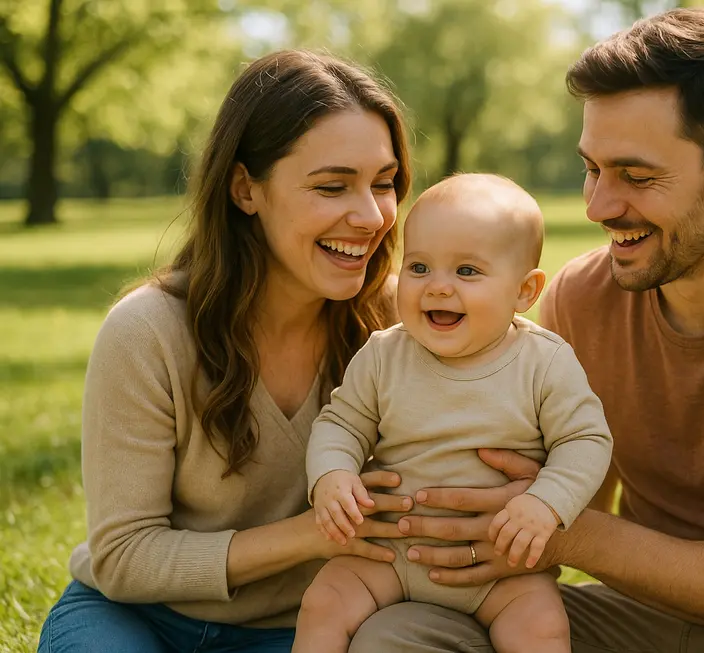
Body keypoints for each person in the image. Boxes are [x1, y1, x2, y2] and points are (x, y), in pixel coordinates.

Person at [347, 8, 704, 653]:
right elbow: (555, 490)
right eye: (592, 169)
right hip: (636, 610)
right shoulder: (582, 297)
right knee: (399, 633)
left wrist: (569, 533)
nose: (599, 206)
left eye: (637, 176)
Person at [37, 50, 418, 652]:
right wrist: (315, 533)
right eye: (331, 186)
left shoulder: (401, 323)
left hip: (312, 623)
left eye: (384, 182)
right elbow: (124, 556)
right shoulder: (146, 332)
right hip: (137, 616)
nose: (371, 216)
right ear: (246, 189)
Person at [293, 173, 613, 653]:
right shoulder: (385, 355)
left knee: (541, 628)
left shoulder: (543, 362)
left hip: (502, 569)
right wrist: (332, 475)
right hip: (391, 553)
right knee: (325, 602)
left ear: (525, 291)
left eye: (467, 272)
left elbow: (586, 440)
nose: (438, 288)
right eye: (419, 267)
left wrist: (545, 502)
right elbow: (341, 424)